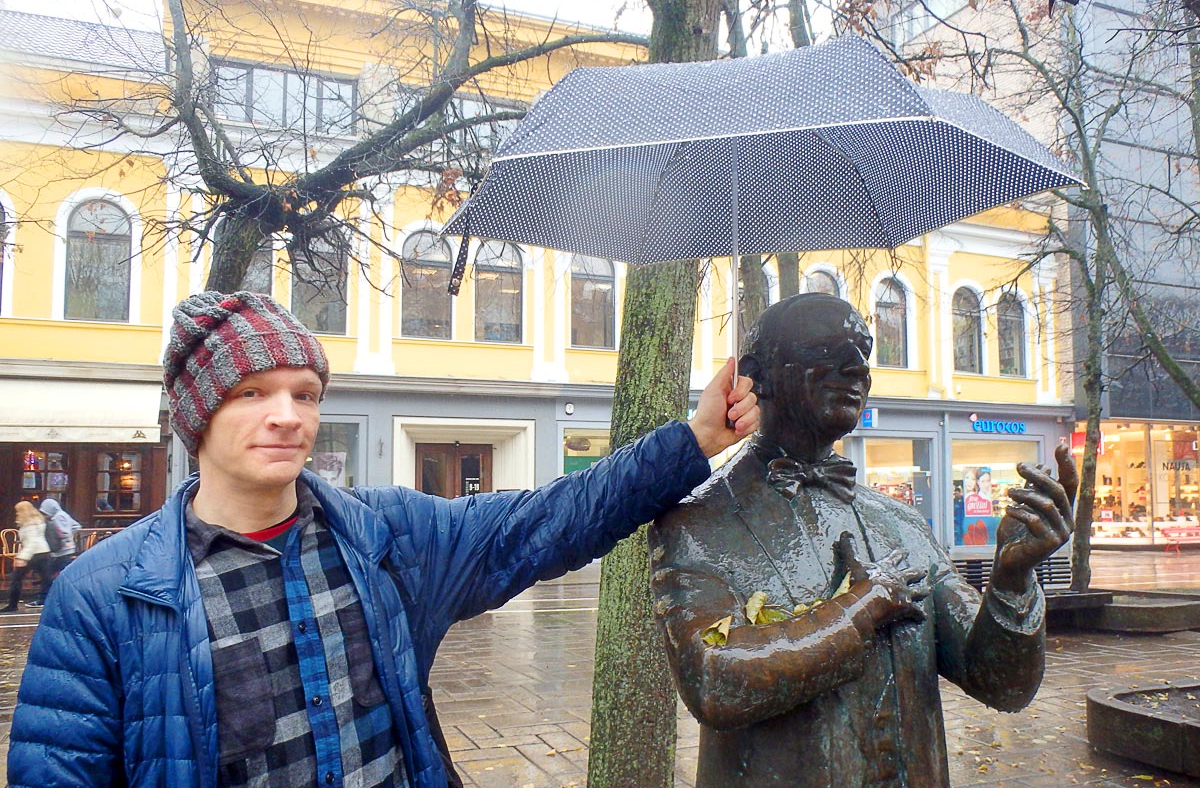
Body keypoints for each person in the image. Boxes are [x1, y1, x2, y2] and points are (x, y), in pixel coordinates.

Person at [9, 290, 759, 788]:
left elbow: (551, 519)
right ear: (197, 415)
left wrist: (697, 438)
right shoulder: (104, 597)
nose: (287, 416)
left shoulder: (387, 539)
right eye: (252, 393)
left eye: (304, 394)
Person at [649, 293, 1076, 788]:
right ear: (756, 376)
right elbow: (714, 680)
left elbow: (1001, 684)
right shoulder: (697, 522)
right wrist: (858, 608)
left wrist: (1011, 577)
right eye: (826, 350)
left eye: (863, 352)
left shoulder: (901, 524)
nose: (856, 368)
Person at [3, 501, 55, 611]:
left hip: (33, 554)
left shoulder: (28, 525)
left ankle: (12, 605)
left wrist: (22, 557)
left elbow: (31, 543)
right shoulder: (39, 522)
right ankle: (51, 600)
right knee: (46, 578)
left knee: (16, 579)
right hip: (44, 552)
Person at [39, 497, 80, 574]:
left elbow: (64, 532)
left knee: (51, 573)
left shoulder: (57, 517)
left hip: (61, 550)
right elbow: (76, 526)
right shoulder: (63, 514)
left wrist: (59, 537)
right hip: (67, 549)